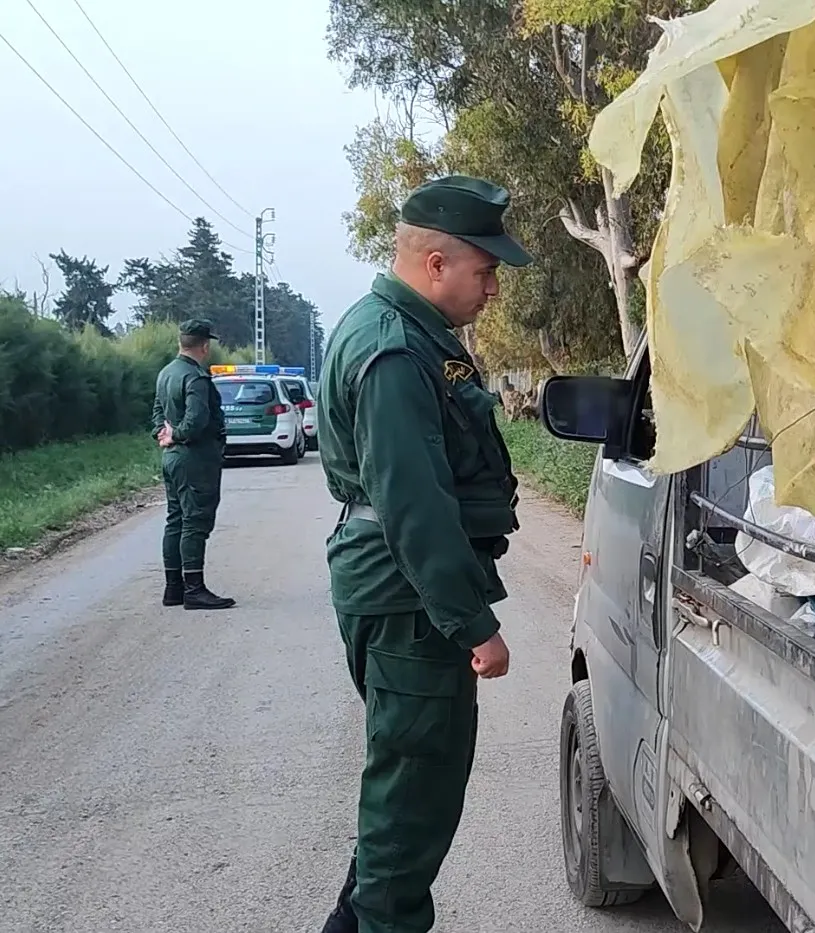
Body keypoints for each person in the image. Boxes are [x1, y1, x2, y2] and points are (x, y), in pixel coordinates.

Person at [316, 175, 529, 933]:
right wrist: (474, 623)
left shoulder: (401, 332)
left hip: (394, 593)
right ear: (436, 263)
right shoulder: (396, 350)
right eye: (486, 270)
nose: (494, 289)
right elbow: (415, 506)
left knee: (401, 790)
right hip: (411, 603)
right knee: (414, 797)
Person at [152, 319, 236, 611]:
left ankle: (173, 588)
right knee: (195, 521)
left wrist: (163, 435)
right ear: (204, 345)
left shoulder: (166, 373)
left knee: (175, 519)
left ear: (180, 342)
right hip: (195, 458)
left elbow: (157, 413)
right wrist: (178, 433)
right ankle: (194, 589)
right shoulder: (196, 378)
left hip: (172, 458)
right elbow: (197, 420)